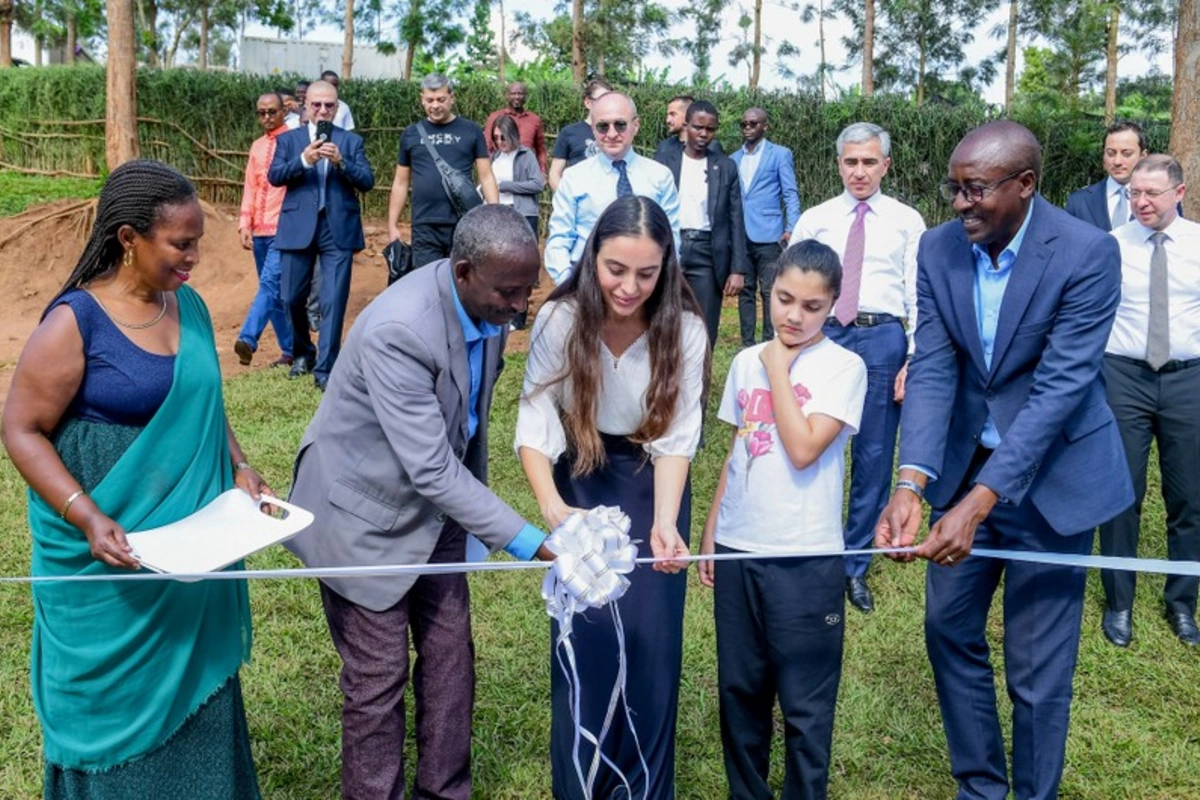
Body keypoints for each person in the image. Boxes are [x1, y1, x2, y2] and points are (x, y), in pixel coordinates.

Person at [876, 121, 1133, 800]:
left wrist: (979, 503)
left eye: (976, 189)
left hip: (1055, 483)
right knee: (947, 629)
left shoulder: (1087, 253)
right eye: (954, 188)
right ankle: (981, 787)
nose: (960, 203)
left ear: (1025, 186)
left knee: (1036, 667)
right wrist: (912, 481)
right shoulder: (938, 249)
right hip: (961, 475)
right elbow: (932, 366)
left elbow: (1057, 393)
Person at [0, 159, 270, 798]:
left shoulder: (193, 308)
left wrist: (237, 463)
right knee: (112, 717)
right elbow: (20, 429)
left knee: (198, 699)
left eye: (198, 241)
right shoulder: (75, 322)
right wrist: (88, 516)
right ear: (128, 239)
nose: (195, 257)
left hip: (190, 560)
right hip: (111, 563)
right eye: (181, 243)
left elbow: (203, 399)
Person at [285, 204, 554, 800]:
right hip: (362, 517)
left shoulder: (488, 305)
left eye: (526, 291)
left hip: (439, 512)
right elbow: (432, 468)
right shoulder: (401, 329)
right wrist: (532, 541)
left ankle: (445, 791)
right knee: (378, 682)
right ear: (463, 272)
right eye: (509, 292)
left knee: (450, 661)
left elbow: (465, 429)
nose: (519, 306)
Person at [516, 196, 709, 800]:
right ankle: (583, 784)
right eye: (615, 269)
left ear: (666, 268)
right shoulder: (560, 320)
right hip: (581, 474)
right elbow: (535, 417)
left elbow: (678, 435)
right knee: (587, 633)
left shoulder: (688, 328)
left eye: (646, 274)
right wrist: (553, 509)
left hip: (654, 478)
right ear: (592, 257)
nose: (629, 287)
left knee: (651, 643)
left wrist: (667, 521)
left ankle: (646, 788)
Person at [699, 239, 866, 800]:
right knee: (740, 692)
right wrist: (712, 531)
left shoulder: (845, 367)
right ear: (769, 293)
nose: (793, 316)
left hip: (804, 556)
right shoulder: (745, 361)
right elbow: (740, 447)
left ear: (834, 306)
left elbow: (801, 448)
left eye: (811, 307)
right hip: (738, 548)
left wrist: (776, 365)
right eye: (784, 300)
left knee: (804, 703)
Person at [792, 122, 926, 613]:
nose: (860, 171)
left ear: (886, 165)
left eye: (869, 162)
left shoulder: (907, 221)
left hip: (881, 337)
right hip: (825, 336)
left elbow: (917, 292)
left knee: (872, 456)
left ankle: (854, 566)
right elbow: (794, 287)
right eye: (851, 161)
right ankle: (813, 553)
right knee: (814, 448)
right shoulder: (817, 218)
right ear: (839, 164)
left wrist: (913, 356)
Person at [1099, 154, 1200, 647]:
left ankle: (1182, 603)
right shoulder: (1110, 247)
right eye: (1135, 193)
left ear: (1178, 194)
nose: (1140, 202)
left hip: (1188, 380)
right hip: (1124, 377)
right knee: (1123, 495)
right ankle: (1119, 603)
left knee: (1189, 498)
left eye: (1152, 194)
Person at [269, 79, 375, 392]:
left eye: (330, 105)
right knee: (290, 298)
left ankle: (326, 369)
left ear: (338, 107)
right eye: (317, 105)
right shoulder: (290, 140)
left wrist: (341, 162)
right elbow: (275, 176)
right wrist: (305, 160)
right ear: (306, 106)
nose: (323, 110)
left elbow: (367, 180)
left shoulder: (350, 141)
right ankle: (304, 353)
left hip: (337, 228)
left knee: (333, 300)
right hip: (298, 226)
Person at [545, 92, 681, 285]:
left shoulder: (660, 177)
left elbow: (672, 239)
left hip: (643, 287)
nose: (611, 134)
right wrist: (570, 285)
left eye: (620, 124)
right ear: (592, 129)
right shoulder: (574, 178)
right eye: (602, 126)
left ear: (636, 125)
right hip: (586, 281)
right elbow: (559, 238)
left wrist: (661, 285)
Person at [655, 100, 746, 345]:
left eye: (710, 129)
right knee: (663, 320)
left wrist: (737, 268)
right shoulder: (664, 162)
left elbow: (736, 217)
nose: (704, 134)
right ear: (686, 125)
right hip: (669, 250)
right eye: (698, 127)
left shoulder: (726, 167)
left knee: (703, 328)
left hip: (708, 254)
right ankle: (665, 381)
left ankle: (700, 382)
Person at [388, 73, 499, 272]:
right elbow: (400, 182)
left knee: (462, 281)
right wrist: (392, 224)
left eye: (441, 99)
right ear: (422, 99)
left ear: (452, 98)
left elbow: (486, 176)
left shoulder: (471, 131)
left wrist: (495, 215)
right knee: (426, 281)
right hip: (424, 224)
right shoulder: (411, 134)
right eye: (429, 100)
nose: (435, 105)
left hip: (464, 222)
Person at [730, 106, 801, 345]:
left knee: (770, 290)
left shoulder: (779, 154)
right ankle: (747, 344)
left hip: (770, 234)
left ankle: (770, 341)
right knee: (745, 291)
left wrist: (792, 227)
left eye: (753, 123)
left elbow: (790, 193)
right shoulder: (733, 159)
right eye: (744, 124)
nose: (748, 128)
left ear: (765, 126)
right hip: (741, 234)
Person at [234, 91, 294, 368]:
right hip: (259, 229)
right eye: (262, 113)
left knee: (269, 285)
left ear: (284, 111)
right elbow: (250, 186)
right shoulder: (257, 146)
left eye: (272, 111)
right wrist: (245, 223)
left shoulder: (295, 140)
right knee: (275, 294)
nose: (267, 117)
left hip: (284, 228)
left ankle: (248, 338)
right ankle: (290, 350)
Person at [491, 114, 545, 330]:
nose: (500, 142)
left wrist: (508, 186)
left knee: (520, 267)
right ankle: (502, 313)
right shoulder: (495, 158)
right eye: (496, 138)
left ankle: (518, 318)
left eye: (503, 137)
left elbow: (537, 184)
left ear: (512, 135)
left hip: (522, 214)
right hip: (498, 214)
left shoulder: (526, 155)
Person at [1065, 121, 1148, 231]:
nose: (1117, 161)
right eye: (1111, 153)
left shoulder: (1162, 200)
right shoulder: (1079, 202)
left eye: (1126, 154)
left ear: (1143, 156)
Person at [548, 77, 612, 191]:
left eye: (610, 100)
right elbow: (554, 175)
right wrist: (567, 200)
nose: (606, 104)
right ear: (588, 102)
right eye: (601, 100)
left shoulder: (617, 133)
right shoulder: (569, 132)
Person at [484, 81, 548, 173]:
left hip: (526, 169)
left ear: (525, 96)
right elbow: (487, 146)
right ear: (507, 96)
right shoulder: (495, 117)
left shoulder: (534, 119)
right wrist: (486, 172)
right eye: (513, 94)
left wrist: (542, 171)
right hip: (501, 168)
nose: (517, 97)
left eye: (520, 94)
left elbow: (540, 149)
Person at [651, 94, 724, 161]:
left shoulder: (711, 146)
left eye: (673, 114)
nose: (668, 120)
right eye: (668, 115)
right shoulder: (665, 147)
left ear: (687, 114)